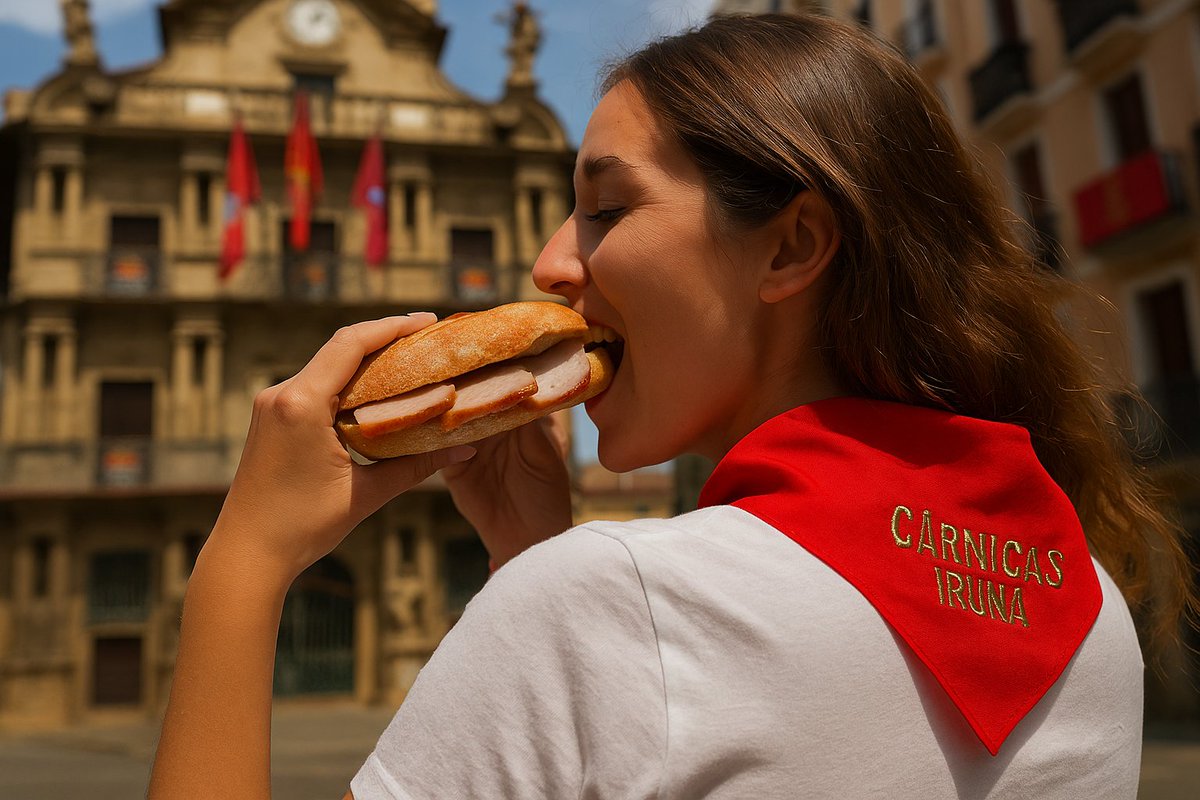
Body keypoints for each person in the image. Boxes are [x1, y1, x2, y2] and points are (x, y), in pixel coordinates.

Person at [147, 13, 1195, 799]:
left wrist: (242, 560)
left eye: (606, 209)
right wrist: (536, 559)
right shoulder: (1088, 606)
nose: (551, 262)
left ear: (790, 244)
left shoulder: (605, 603)